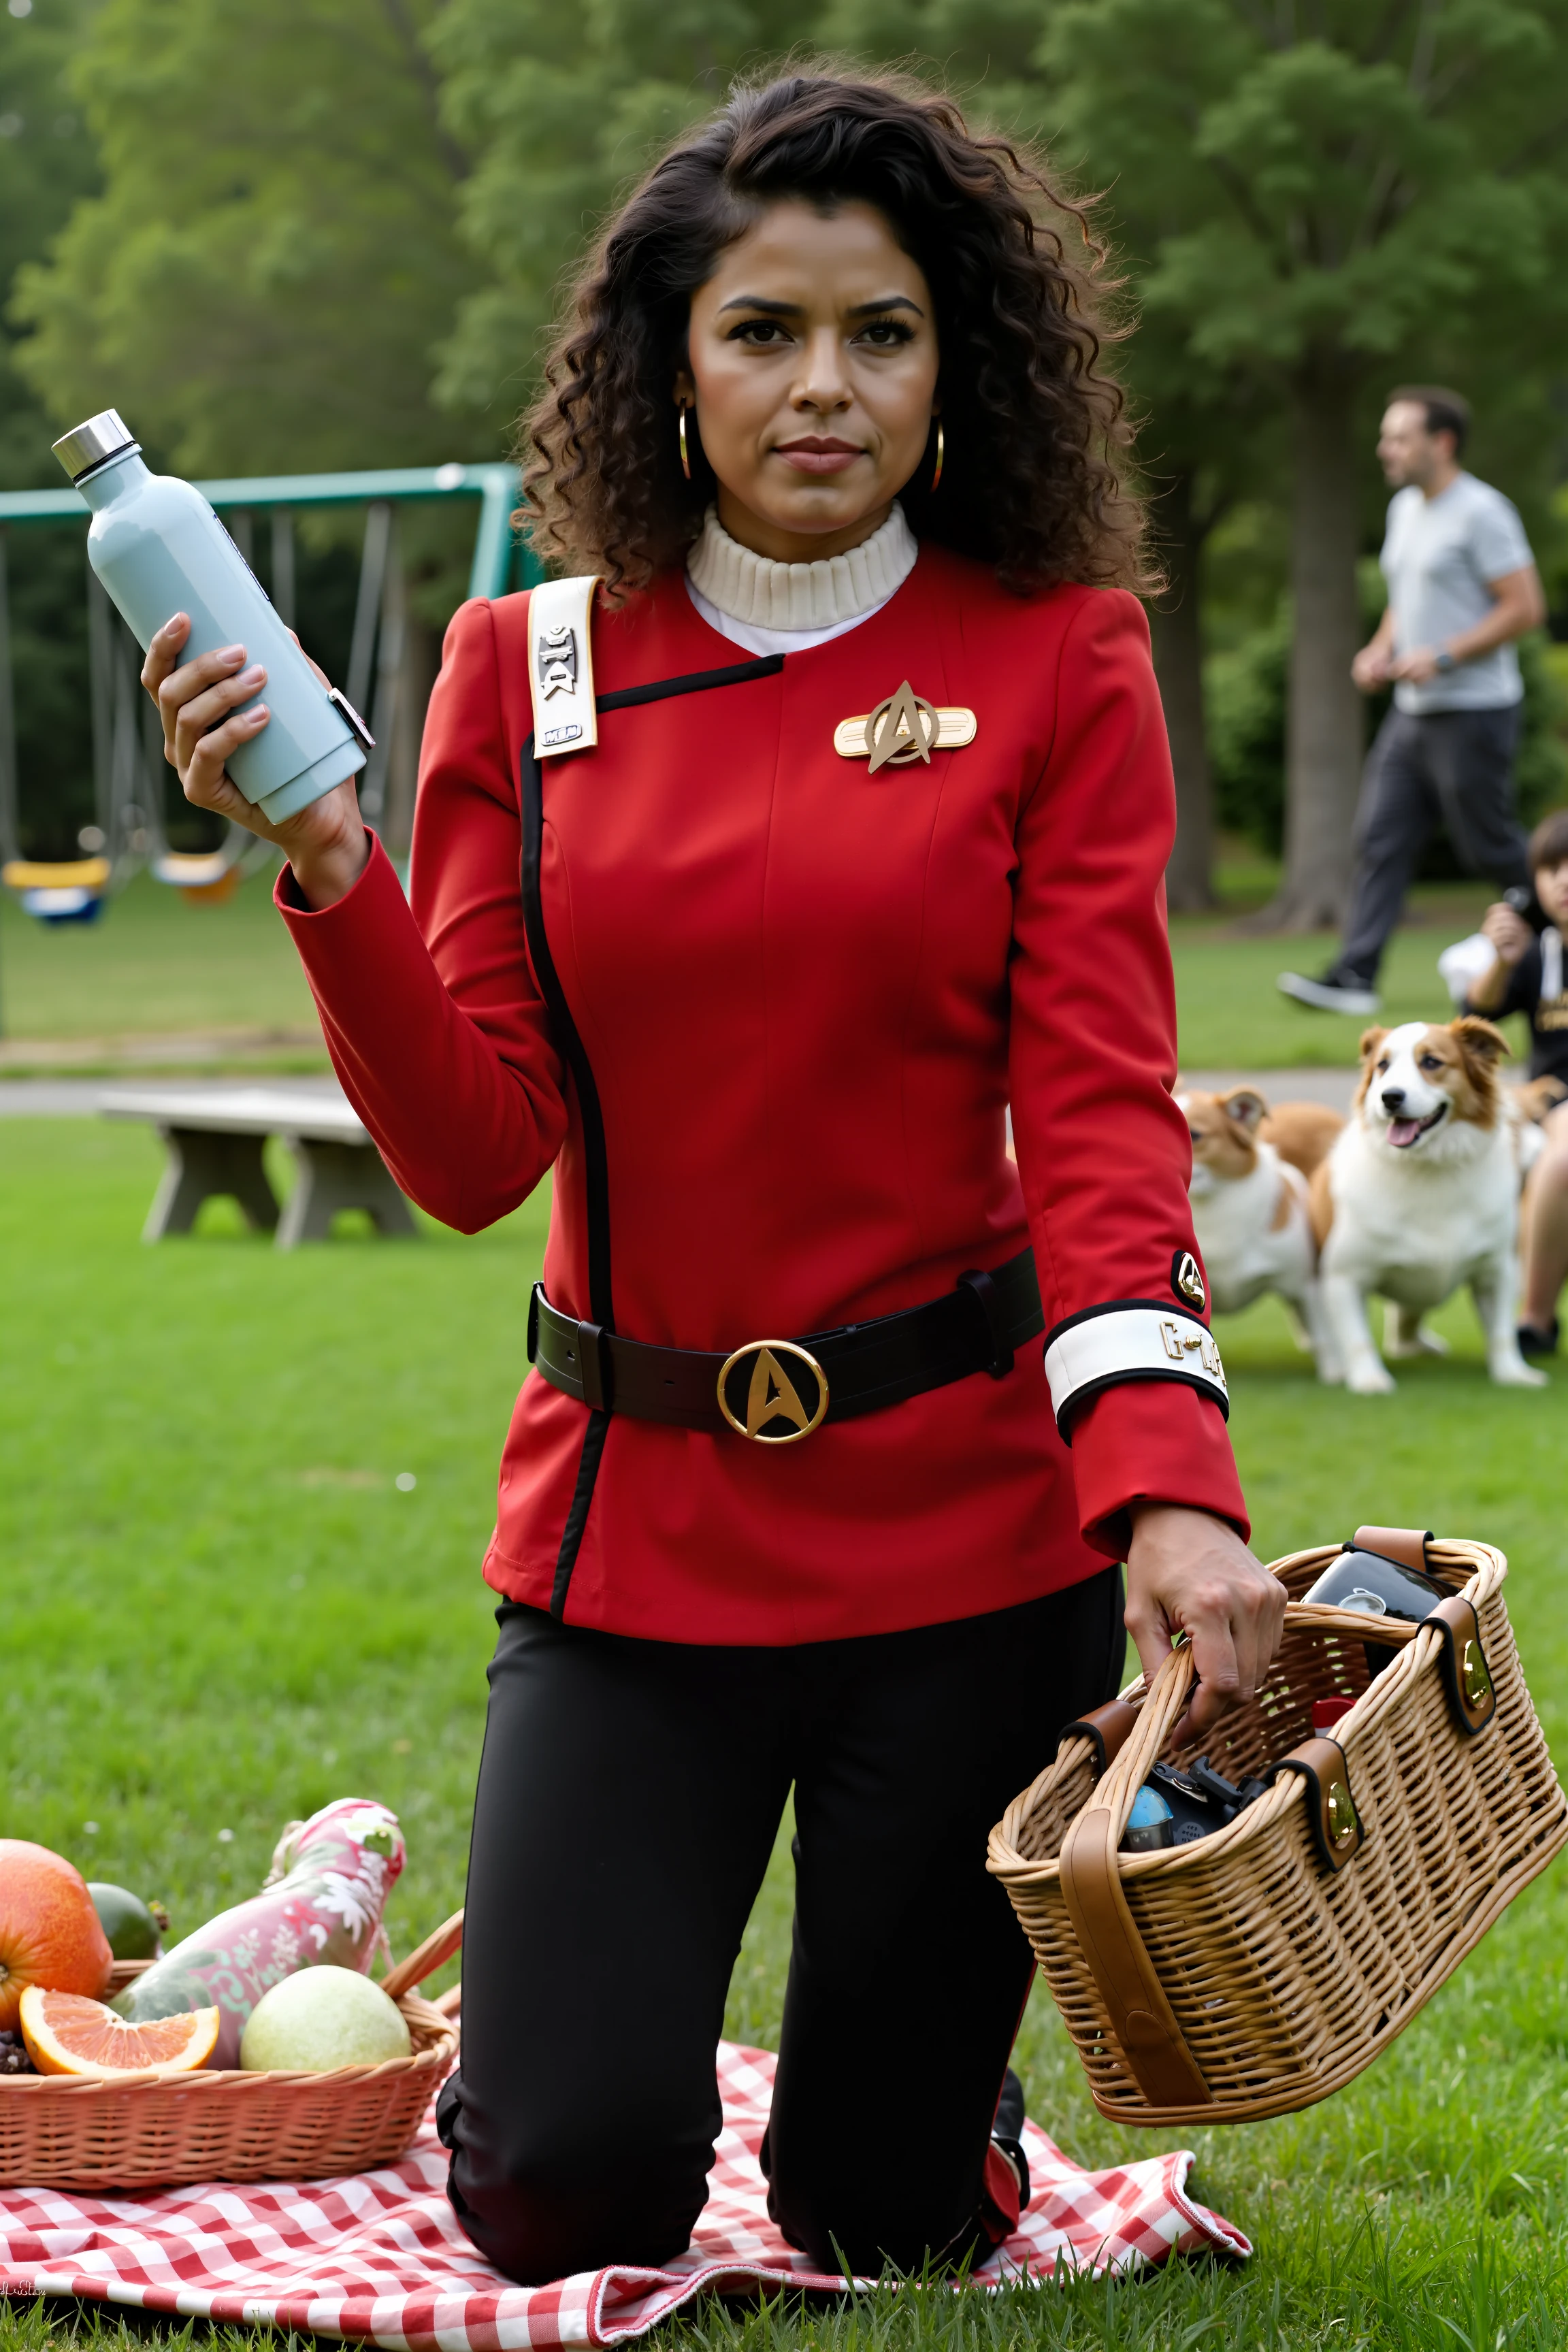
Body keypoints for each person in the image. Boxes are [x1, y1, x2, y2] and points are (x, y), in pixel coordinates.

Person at [143, 71, 1283, 2287]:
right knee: (560, 2181)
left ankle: (930, 2092)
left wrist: (1164, 1478)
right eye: (762, 329)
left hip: (965, 1546)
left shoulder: (1059, 660)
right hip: (625, 1545)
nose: (823, 385)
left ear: (959, 363)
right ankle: (651, 2052)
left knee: (881, 2215)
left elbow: (1102, 1100)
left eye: (881, 331)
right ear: (669, 358)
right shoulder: (525, 668)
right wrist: (331, 862)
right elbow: (475, 1152)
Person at [1279, 387, 1546, 1016]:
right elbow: (1406, 600)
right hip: (1412, 713)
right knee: (1379, 837)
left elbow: (1525, 607)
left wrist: (1446, 654)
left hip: (1475, 710)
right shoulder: (1405, 509)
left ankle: (1549, 927)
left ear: (1442, 443)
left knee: (1491, 846)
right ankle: (1355, 976)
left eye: (1399, 437)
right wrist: (1380, 648)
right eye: (1386, 436)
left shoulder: (1483, 512)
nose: (1385, 449)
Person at [1464, 807, 1568, 1355]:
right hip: (1557, 1098)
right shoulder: (1538, 954)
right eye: (1552, 868)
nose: (1565, 880)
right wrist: (1502, 960)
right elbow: (1474, 1014)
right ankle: (1534, 1319)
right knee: (1564, 1158)